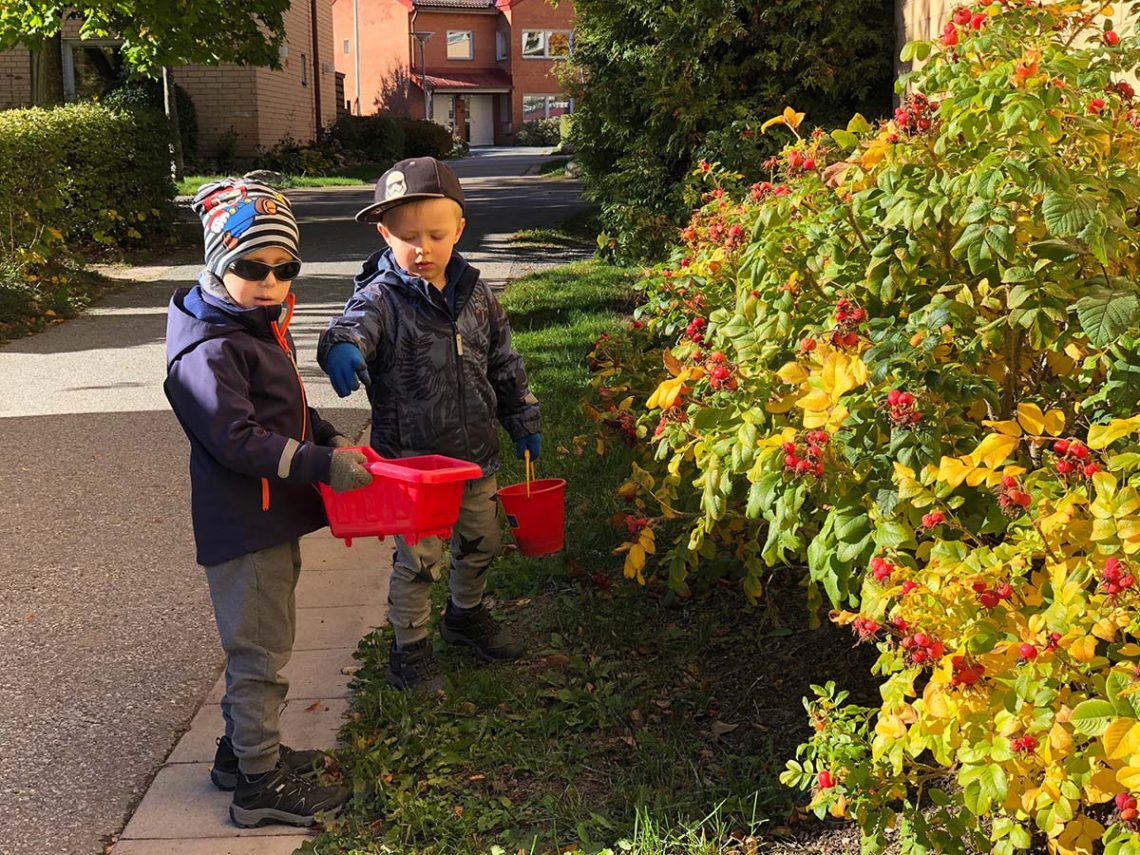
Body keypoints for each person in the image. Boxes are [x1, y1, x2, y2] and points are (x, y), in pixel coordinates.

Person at [164, 178, 371, 828]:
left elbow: (288, 408)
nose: (271, 281)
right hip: (244, 523)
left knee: (263, 638)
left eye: (286, 268)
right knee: (260, 652)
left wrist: (327, 435)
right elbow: (238, 439)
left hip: (268, 515)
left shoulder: (253, 325)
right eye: (252, 267)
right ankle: (258, 784)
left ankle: (239, 754)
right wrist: (321, 465)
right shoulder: (210, 349)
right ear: (218, 262)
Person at [317, 156, 541, 693]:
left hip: (476, 457)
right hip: (413, 465)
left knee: (482, 543)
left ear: (459, 229)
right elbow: (351, 325)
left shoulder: (478, 295)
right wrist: (341, 347)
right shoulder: (381, 298)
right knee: (419, 561)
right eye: (408, 237)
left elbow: (503, 362)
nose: (423, 248)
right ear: (384, 234)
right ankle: (410, 648)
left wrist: (522, 417)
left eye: (436, 235)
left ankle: (465, 615)